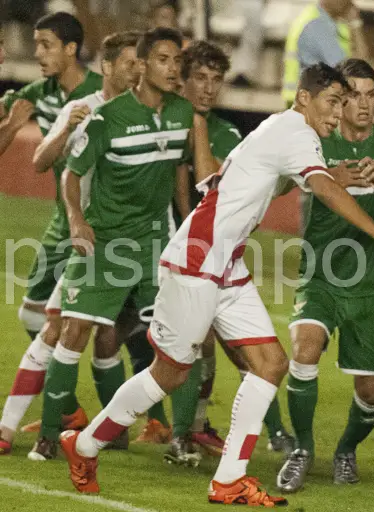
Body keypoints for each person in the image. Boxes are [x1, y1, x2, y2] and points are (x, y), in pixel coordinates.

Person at [60, 63, 374, 507]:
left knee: (270, 364)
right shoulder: (297, 132)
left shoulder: (284, 129)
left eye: (344, 103)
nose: (339, 113)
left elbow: (280, 180)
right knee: (169, 373)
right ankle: (86, 445)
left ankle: (229, 480)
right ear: (304, 98)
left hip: (224, 265)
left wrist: (332, 174)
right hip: (198, 260)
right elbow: (319, 188)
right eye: (333, 102)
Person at [24, 26, 191, 462]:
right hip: (107, 243)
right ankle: (48, 433)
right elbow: (70, 174)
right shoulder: (107, 118)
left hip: (155, 244)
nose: (173, 69)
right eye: (163, 60)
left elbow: (182, 174)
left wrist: (192, 227)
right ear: (140, 66)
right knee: (75, 331)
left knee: (183, 337)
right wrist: (77, 222)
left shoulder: (182, 114)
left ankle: (180, 437)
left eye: (178, 61)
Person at [277, 58, 374, 492]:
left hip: (370, 284)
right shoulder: (317, 142)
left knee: (371, 392)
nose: (362, 104)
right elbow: (285, 180)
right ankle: (302, 449)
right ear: (338, 100)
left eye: (370, 95)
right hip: (320, 275)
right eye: (353, 94)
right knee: (303, 352)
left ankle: (346, 449)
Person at [0, 30, 142, 457]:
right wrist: (68, 131)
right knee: (66, 329)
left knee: (116, 337)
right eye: (130, 62)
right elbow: (42, 160)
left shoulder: (152, 113)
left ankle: (158, 429)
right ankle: (20, 431)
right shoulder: (84, 109)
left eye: (142, 62)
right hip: (92, 242)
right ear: (108, 66)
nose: (137, 71)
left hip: (138, 244)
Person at [164, 39, 294, 466]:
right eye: (199, 78)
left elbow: (210, 193)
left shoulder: (227, 133)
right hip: (147, 245)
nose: (207, 88)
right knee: (121, 338)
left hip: (202, 256)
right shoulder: (160, 119)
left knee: (219, 348)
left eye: (216, 80)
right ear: (181, 79)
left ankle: (189, 432)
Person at [0, 12, 102, 342]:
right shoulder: (39, 93)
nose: (37, 53)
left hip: (106, 217)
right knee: (32, 312)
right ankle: (52, 383)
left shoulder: (102, 94)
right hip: (65, 218)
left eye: (46, 45)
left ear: (71, 48)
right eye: (35, 45)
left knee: (108, 325)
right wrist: (13, 126)